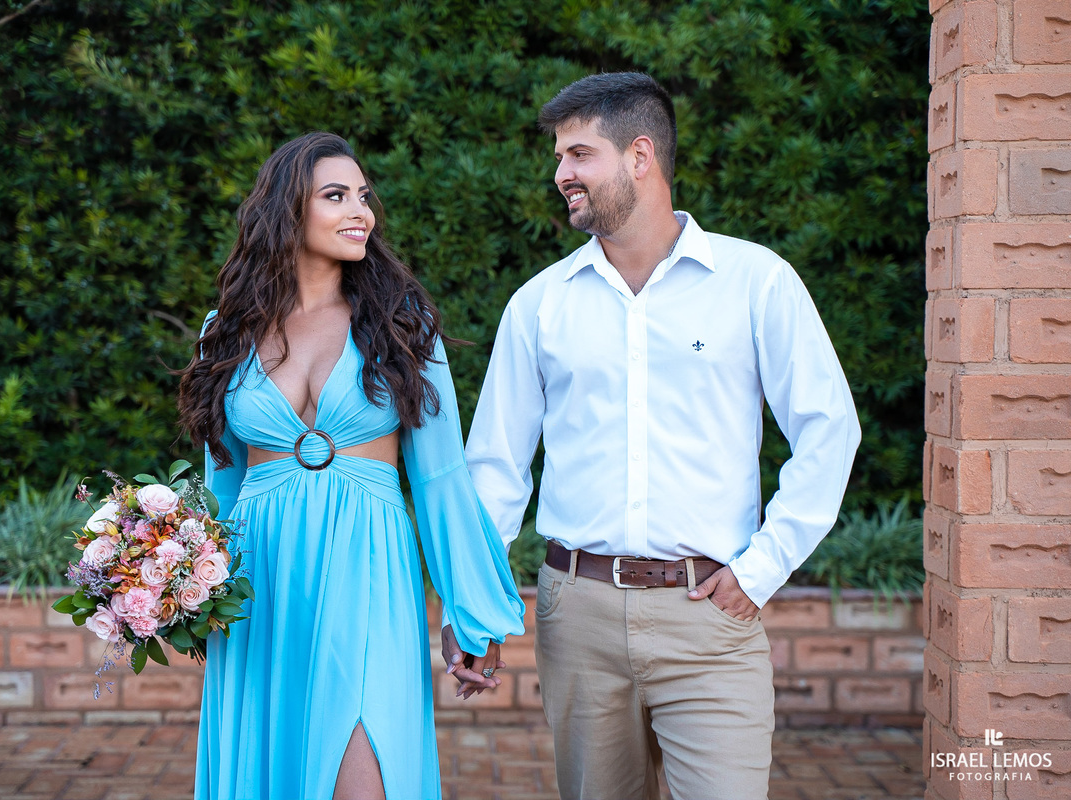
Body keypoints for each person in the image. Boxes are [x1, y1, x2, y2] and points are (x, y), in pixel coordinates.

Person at [464, 73, 861, 800]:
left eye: (579, 155)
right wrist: (480, 608)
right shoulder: (539, 305)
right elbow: (494, 469)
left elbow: (830, 429)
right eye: (559, 158)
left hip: (708, 617)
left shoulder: (756, 281)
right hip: (575, 616)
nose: (561, 175)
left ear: (640, 156)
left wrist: (764, 567)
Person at [178, 131, 524, 800]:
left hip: (366, 571)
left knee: (365, 774)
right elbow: (222, 483)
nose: (359, 210)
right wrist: (181, 587)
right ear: (287, 212)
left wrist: (469, 611)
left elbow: (440, 479)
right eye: (335, 196)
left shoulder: (400, 324)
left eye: (363, 196)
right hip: (260, 586)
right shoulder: (224, 331)